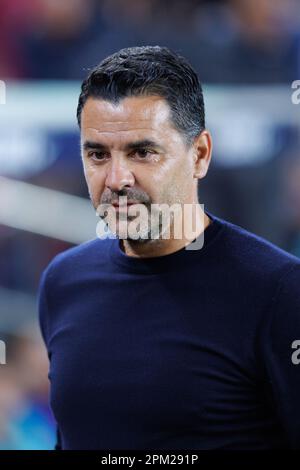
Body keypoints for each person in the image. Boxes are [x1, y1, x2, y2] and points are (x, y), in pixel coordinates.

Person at [38, 45, 300, 450]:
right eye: (97, 154)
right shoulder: (63, 282)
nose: (117, 178)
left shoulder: (279, 292)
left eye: (142, 152)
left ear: (199, 155)